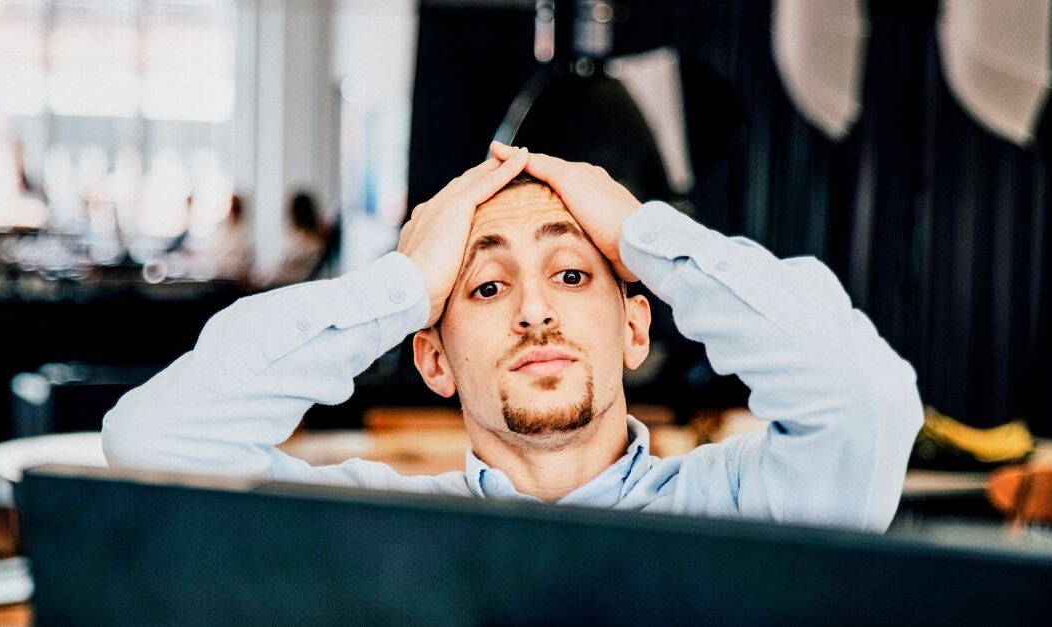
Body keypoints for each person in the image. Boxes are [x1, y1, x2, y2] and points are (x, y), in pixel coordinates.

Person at [102, 143, 922, 532]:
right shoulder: (371, 523)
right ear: (432, 357)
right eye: (487, 287)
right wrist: (402, 286)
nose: (536, 312)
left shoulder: (748, 511)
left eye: (572, 275)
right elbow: (152, 438)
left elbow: (870, 400)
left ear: (636, 326)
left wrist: (643, 234)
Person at [254, 191, 328, 287]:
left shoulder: (310, 243)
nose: (287, 214)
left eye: (290, 209)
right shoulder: (299, 239)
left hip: (279, 286)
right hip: (271, 283)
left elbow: (289, 273)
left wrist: (260, 281)